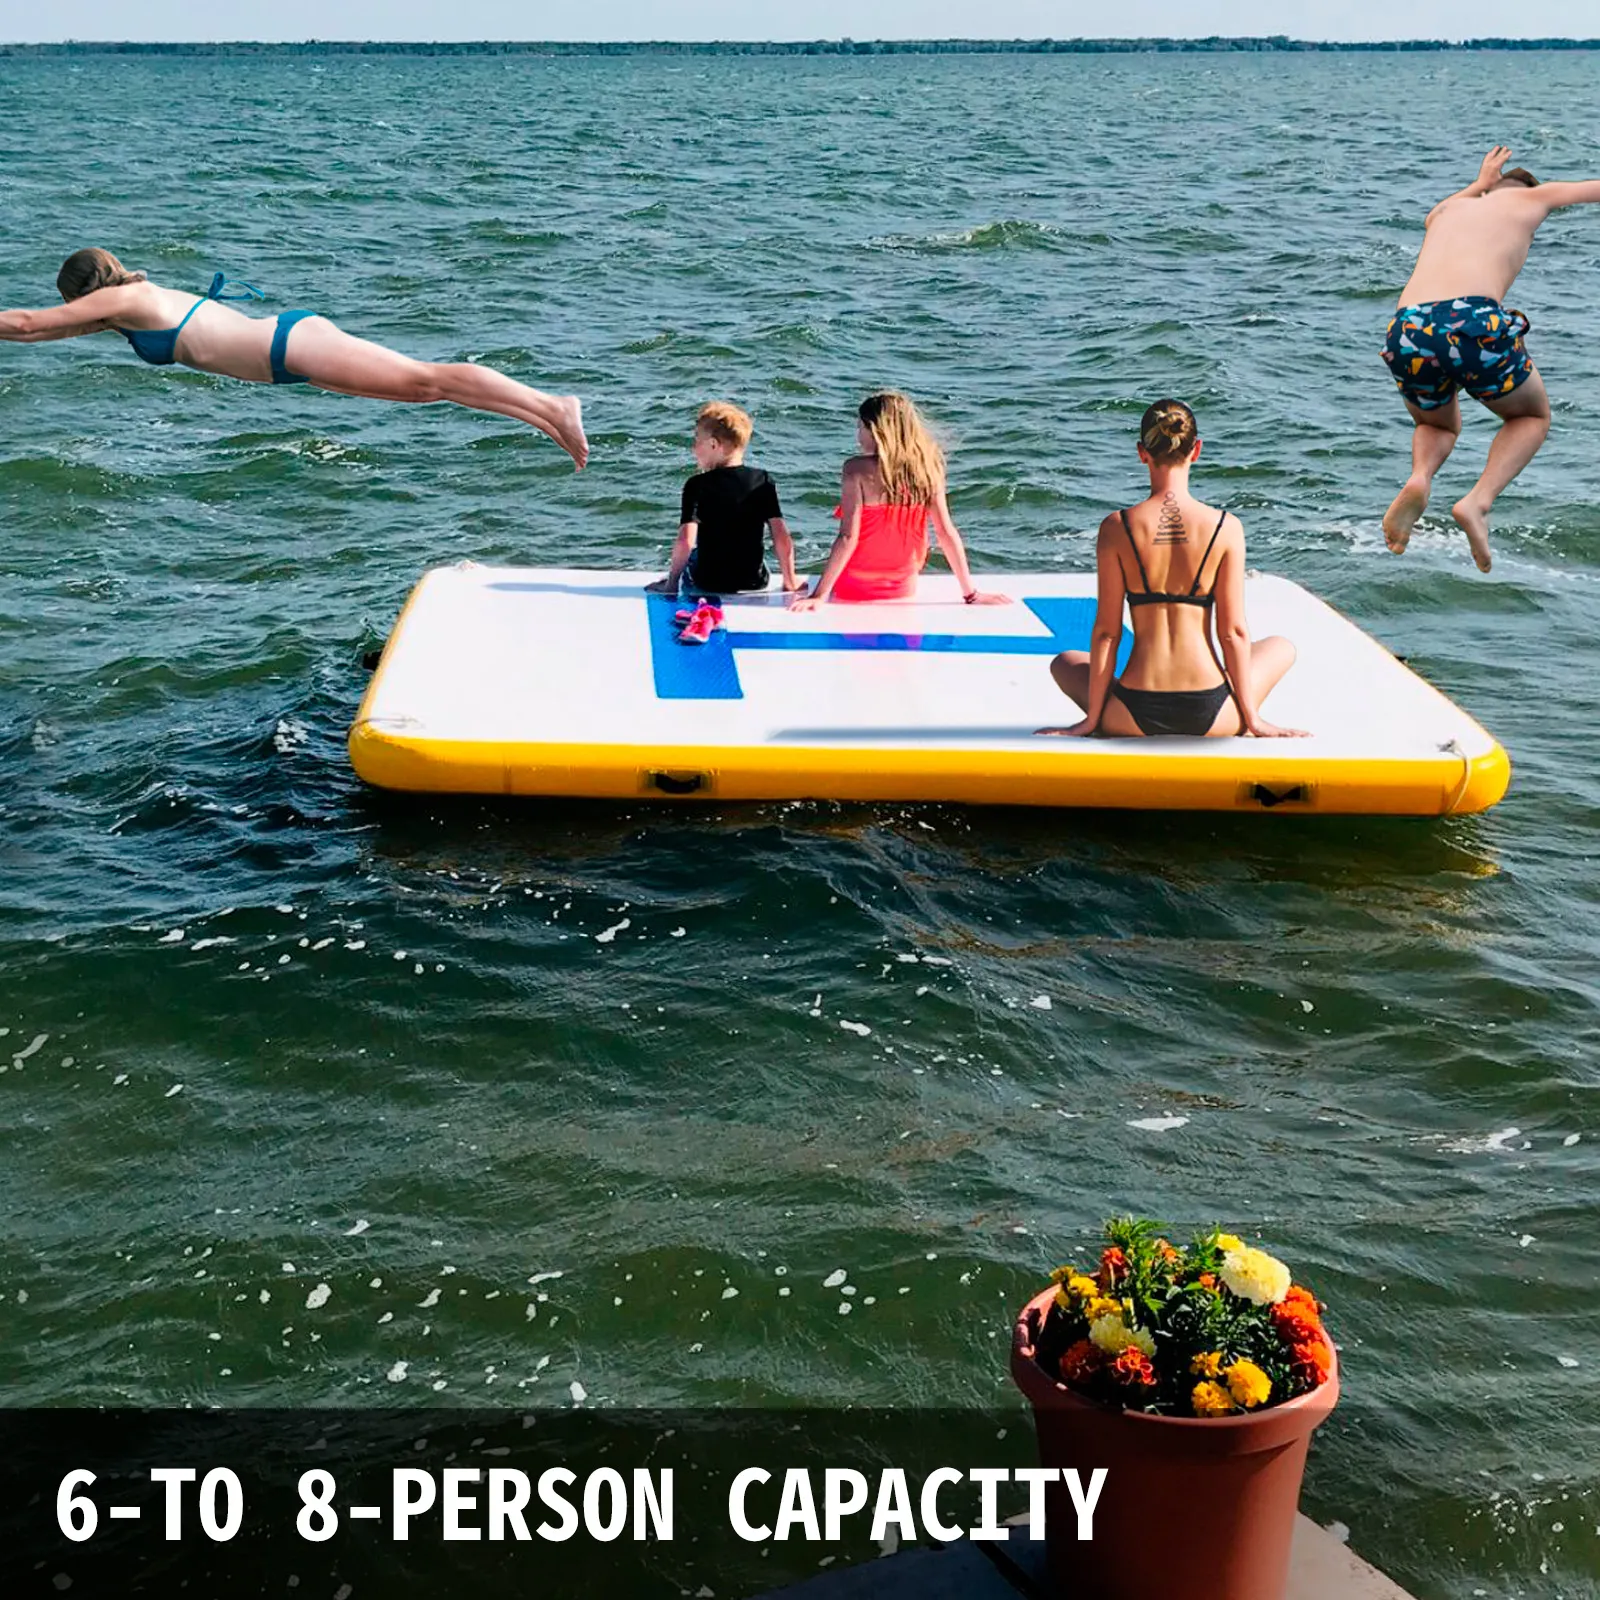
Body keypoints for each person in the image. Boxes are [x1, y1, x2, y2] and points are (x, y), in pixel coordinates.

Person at [0, 249, 588, 467]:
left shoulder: (126, 296)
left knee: (424, 378)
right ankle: (543, 418)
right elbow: (29, 335)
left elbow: (26, 321)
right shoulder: (126, 309)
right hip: (289, 353)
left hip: (288, 344)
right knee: (421, 389)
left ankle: (554, 405)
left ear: (84, 290)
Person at [1381, 147, 1600, 571]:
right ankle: (1478, 501)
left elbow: (1433, 214)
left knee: (1435, 422)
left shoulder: (1451, 211)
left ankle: (1420, 477)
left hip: (1407, 326)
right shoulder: (1532, 198)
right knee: (1530, 418)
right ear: (1524, 188)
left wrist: (1478, 184)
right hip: (1472, 318)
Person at [1041, 400, 1302, 739]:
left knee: (1065, 661)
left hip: (1131, 714)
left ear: (1142, 452)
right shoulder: (1225, 527)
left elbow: (1107, 633)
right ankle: (1241, 709)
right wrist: (1253, 720)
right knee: (1280, 646)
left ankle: (1103, 713)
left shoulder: (1116, 527)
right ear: (1196, 450)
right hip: (1213, 713)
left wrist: (1092, 721)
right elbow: (1232, 632)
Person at [789, 391, 1008, 610]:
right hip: (903, 584)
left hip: (854, 583)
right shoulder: (928, 468)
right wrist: (971, 594)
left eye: (861, 428)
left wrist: (819, 595)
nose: (858, 435)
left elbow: (848, 537)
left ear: (876, 431)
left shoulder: (855, 469)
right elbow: (945, 532)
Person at [645, 402, 800, 626]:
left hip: (708, 581)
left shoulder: (696, 485)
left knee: (697, 556)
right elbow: (781, 538)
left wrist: (671, 585)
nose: (693, 448)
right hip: (754, 581)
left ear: (714, 445)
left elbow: (685, 542)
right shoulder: (762, 481)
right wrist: (790, 581)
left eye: (697, 440)